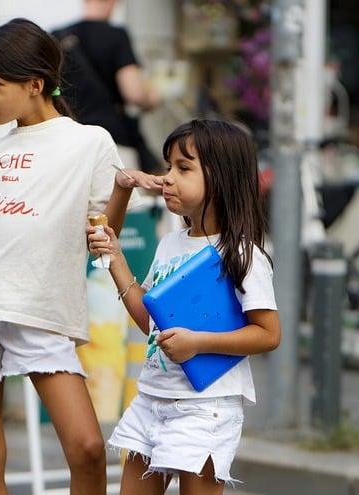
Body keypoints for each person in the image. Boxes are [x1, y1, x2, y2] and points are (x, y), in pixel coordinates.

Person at [0, 18, 162, 495]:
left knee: (86, 449)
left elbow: (100, 236)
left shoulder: (90, 142)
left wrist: (122, 191)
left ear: (35, 84)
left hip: (41, 310)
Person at [87, 119, 281, 494]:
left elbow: (269, 334)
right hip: (151, 398)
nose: (168, 178)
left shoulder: (242, 254)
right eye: (168, 166)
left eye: (184, 168)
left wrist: (198, 343)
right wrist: (114, 258)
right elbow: (150, 323)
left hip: (205, 408)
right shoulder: (170, 244)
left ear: (221, 177)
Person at [53, 0, 161, 173]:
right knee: (122, 197)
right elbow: (133, 93)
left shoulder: (57, 36)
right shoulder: (116, 35)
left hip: (67, 140)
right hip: (111, 139)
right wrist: (152, 99)